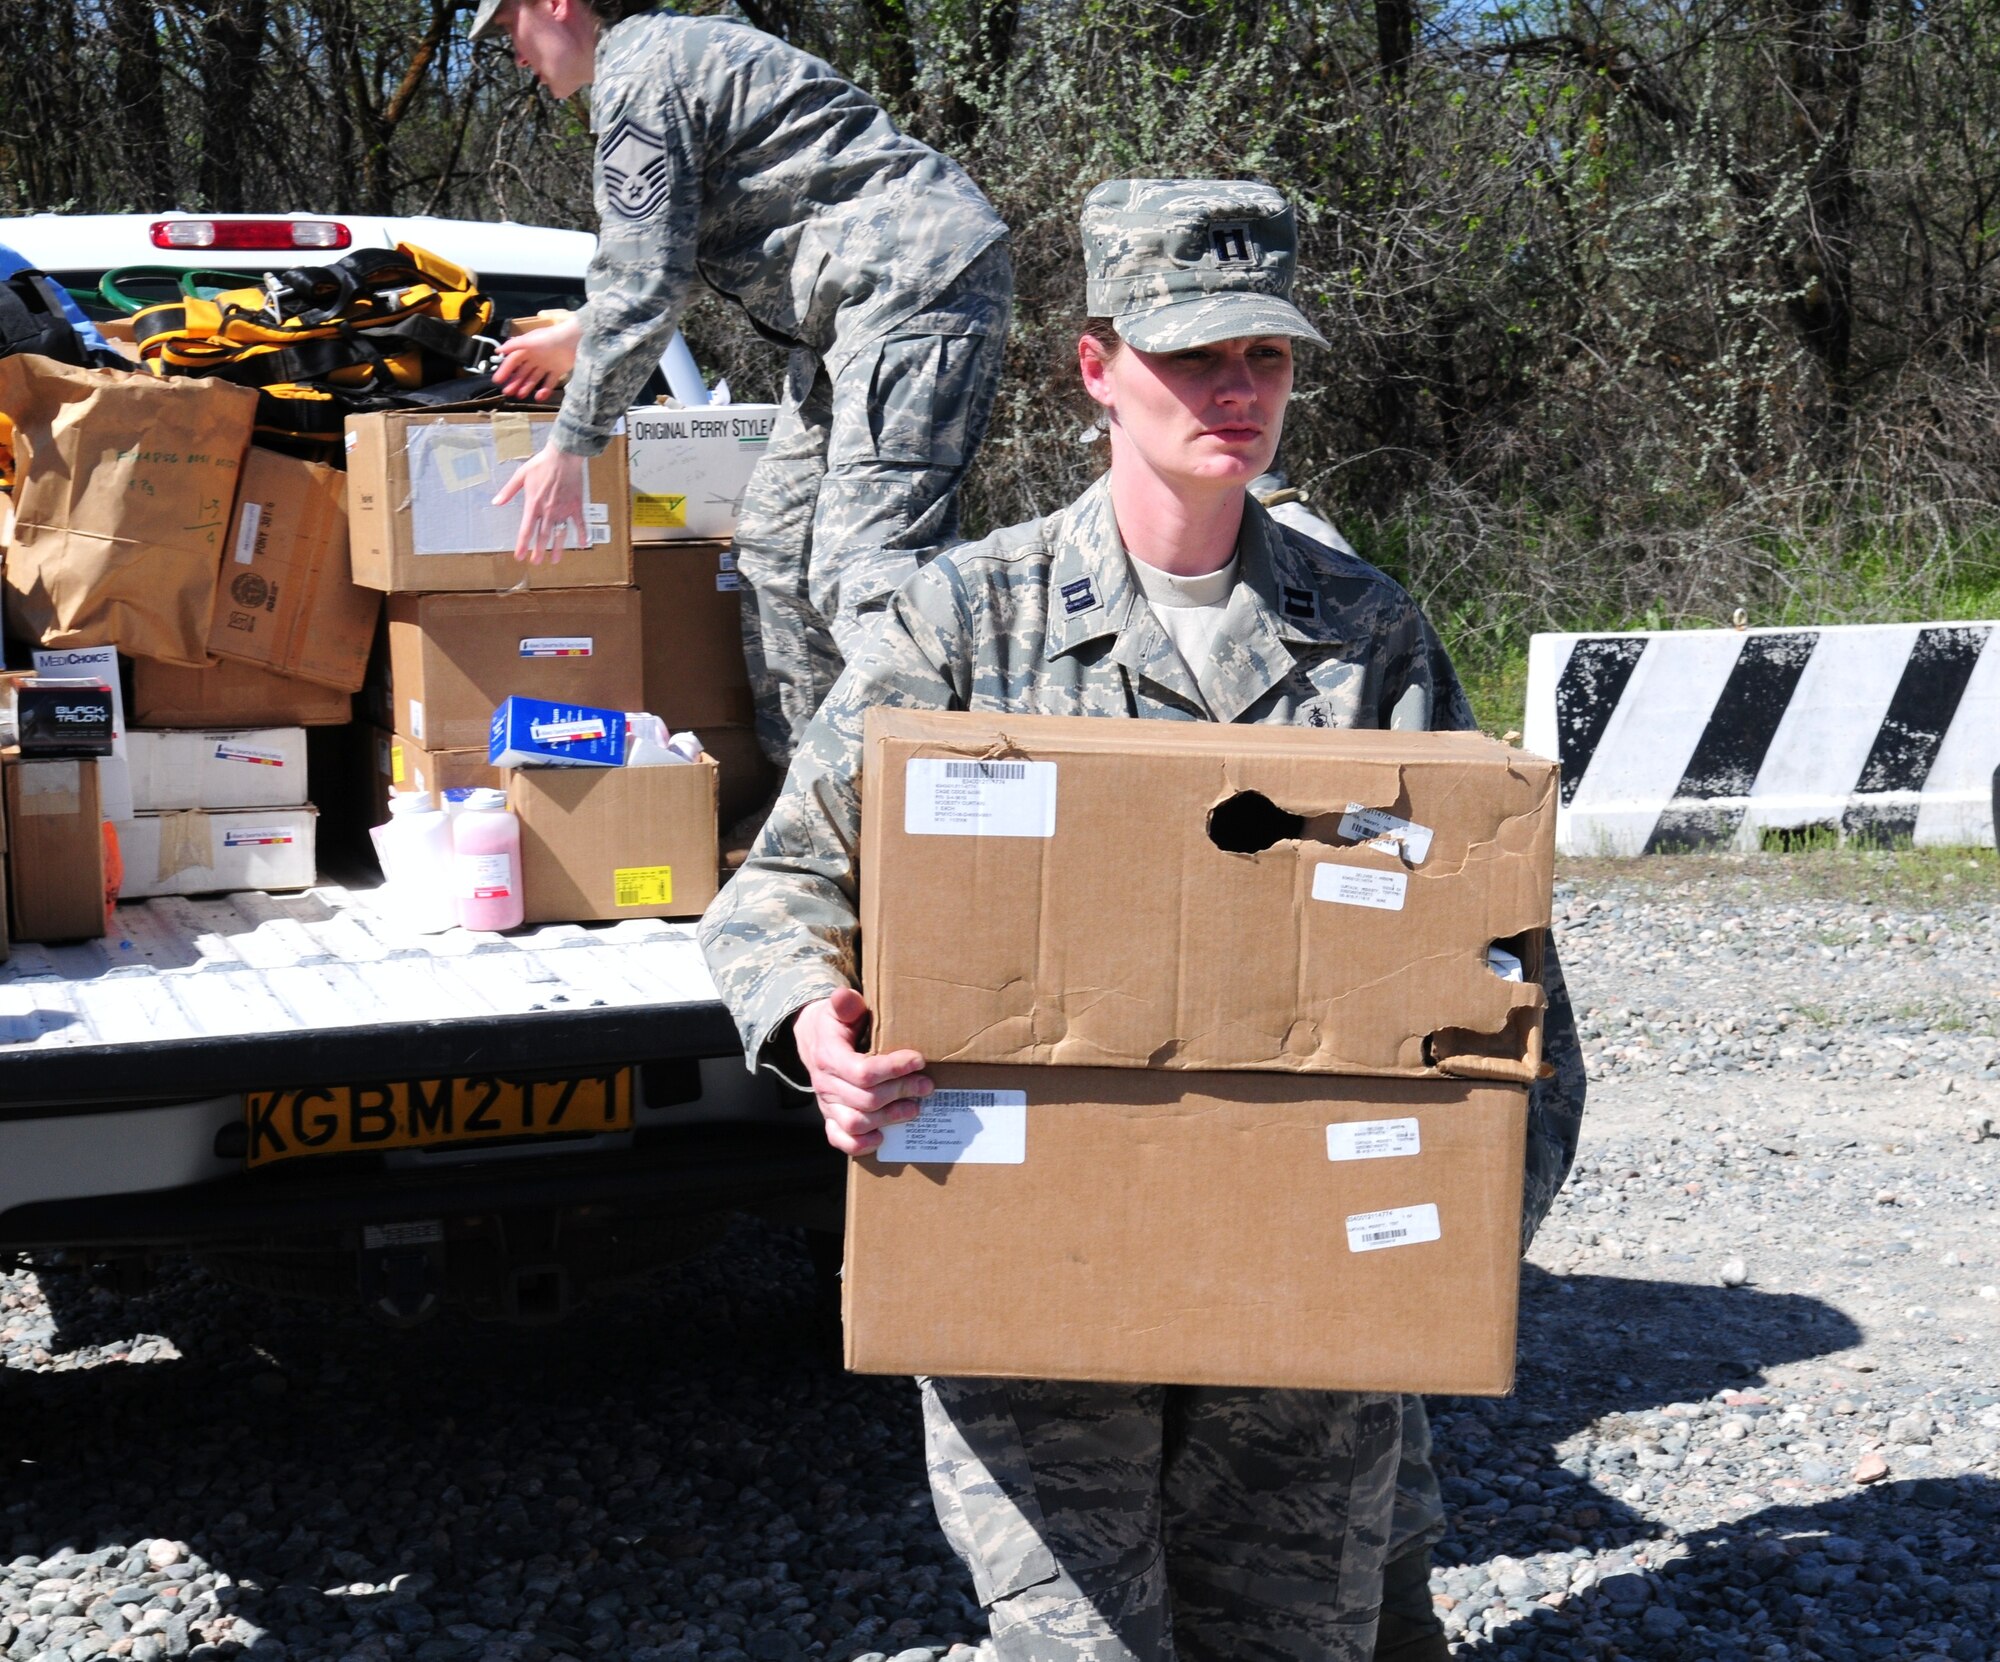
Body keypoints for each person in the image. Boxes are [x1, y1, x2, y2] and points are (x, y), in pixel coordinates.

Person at [701, 177, 1584, 1662]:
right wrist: (817, 1027)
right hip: (1035, 1274)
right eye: (1194, 357)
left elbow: (1504, 962)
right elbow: (782, 888)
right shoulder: (964, 621)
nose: (1235, 392)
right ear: (1099, 367)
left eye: (1266, 358)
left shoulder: (1365, 636)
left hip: (1300, 1295)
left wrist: (1444, 1253)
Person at [472, 0, 1012, 775]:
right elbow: (679, 247)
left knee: (868, 560)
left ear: (556, 3)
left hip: (912, 286)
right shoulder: (663, 61)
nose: (512, 54)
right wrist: (580, 329)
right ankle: (814, 805)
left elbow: (645, 284)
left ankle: (939, 813)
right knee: (775, 550)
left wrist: (572, 445)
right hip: (850, 316)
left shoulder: (641, 79)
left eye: (508, 29)